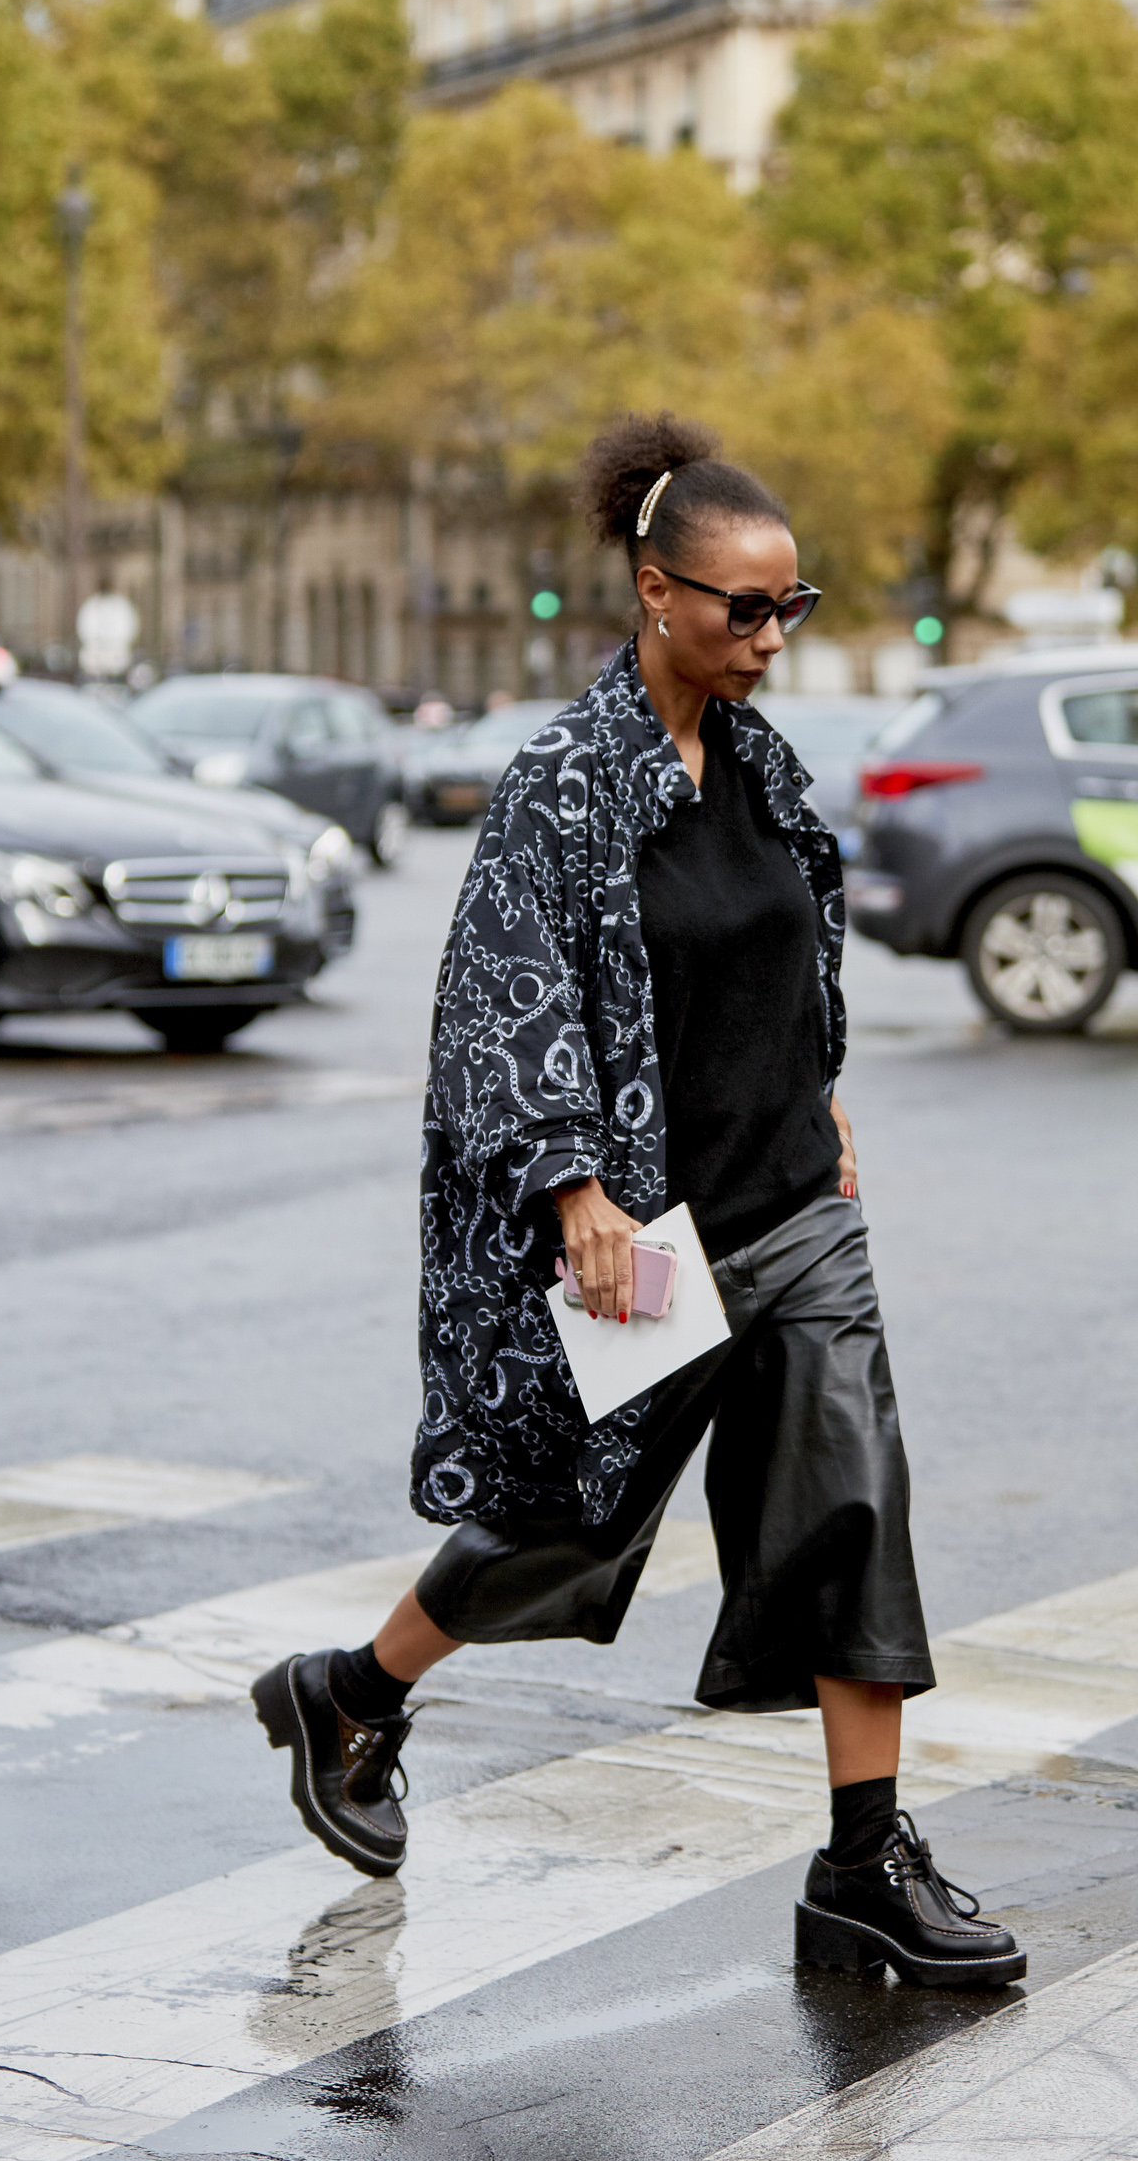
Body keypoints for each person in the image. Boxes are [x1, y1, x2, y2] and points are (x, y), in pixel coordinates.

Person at [252, 413, 1023, 1991]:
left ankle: (863, 1859)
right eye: (742, 608)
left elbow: (789, 953)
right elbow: (501, 1001)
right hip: (653, 1232)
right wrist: (578, 1192)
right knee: (570, 1516)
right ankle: (349, 1694)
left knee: (847, 1503)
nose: (768, 639)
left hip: (797, 1213)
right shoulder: (559, 785)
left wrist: (823, 1091)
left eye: (789, 608)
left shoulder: (762, 766)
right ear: (653, 593)